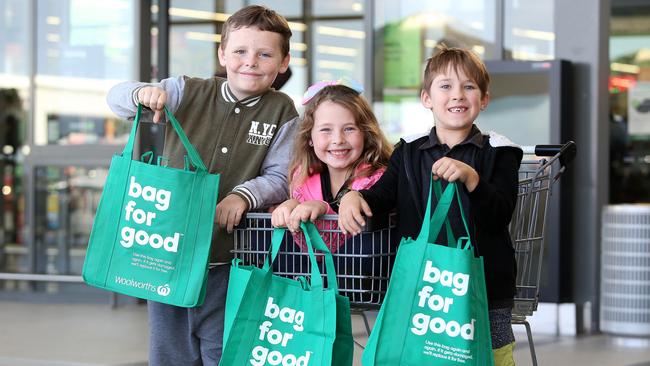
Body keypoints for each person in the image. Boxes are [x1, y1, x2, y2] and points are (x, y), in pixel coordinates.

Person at [106, 5, 298, 365]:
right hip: (166, 256)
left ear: (283, 62)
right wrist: (141, 93)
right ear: (222, 53)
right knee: (169, 354)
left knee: (223, 353)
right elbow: (116, 98)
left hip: (231, 260)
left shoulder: (283, 111)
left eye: (264, 54)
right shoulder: (184, 90)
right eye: (240, 51)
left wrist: (244, 195)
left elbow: (280, 176)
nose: (250, 62)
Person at [338, 45, 523, 365]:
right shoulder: (409, 151)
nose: (458, 95)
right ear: (427, 98)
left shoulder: (499, 152)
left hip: (485, 286)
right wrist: (353, 196)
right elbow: (382, 197)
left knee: (490, 354)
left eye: (469, 87)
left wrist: (472, 180)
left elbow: (500, 213)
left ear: (484, 99)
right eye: (446, 86)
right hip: (423, 283)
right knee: (424, 354)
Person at [270, 79, 392, 252]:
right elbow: (308, 248)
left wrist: (323, 209)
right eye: (326, 130)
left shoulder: (378, 180)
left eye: (349, 129)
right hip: (310, 275)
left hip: (357, 275)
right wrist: (291, 206)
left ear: (365, 133)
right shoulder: (302, 178)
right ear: (309, 138)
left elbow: (354, 243)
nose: (338, 140)